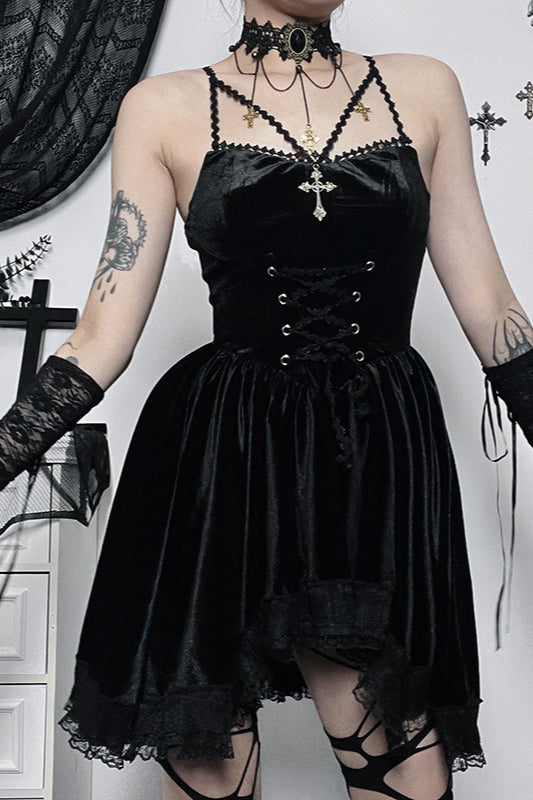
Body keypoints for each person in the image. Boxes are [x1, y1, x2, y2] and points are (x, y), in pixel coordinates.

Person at [1, 0, 533, 798]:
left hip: (374, 463)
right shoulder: (160, 107)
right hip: (222, 463)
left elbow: (492, 312)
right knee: (211, 762)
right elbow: (103, 337)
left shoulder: (424, 89)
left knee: (407, 770)